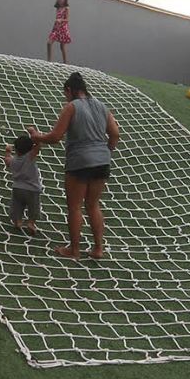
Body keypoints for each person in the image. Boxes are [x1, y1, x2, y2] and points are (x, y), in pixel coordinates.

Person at [29, 72, 119, 259]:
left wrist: (37, 136)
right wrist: (106, 151)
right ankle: (98, 249)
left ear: (69, 90)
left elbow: (55, 137)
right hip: (102, 161)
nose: (65, 97)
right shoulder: (102, 106)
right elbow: (115, 134)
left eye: (65, 94)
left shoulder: (71, 107)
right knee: (93, 205)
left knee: (75, 207)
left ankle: (74, 250)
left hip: (80, 161)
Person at [4, 134, 42, 234]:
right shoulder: (30, 157)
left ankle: (17, 221)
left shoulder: (13, 160)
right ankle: (31, 223)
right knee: (33, 207)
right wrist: (34, 133)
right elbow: (38, 146)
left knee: (17, 206)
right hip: (32, 189)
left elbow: (7, 160)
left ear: (16, 149)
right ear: (30, 149)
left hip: (17, 188)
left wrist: (8, 151)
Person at [47, 0, 71, 64]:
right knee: (49, 43)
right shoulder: (58, 8)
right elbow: (56, 19)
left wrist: (61, 20)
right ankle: (49, 61)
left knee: (62, 47)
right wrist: (53, 28)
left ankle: (65, 63)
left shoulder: (66, 8)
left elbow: (67, 20)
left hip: (63, 28)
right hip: (56, 28)